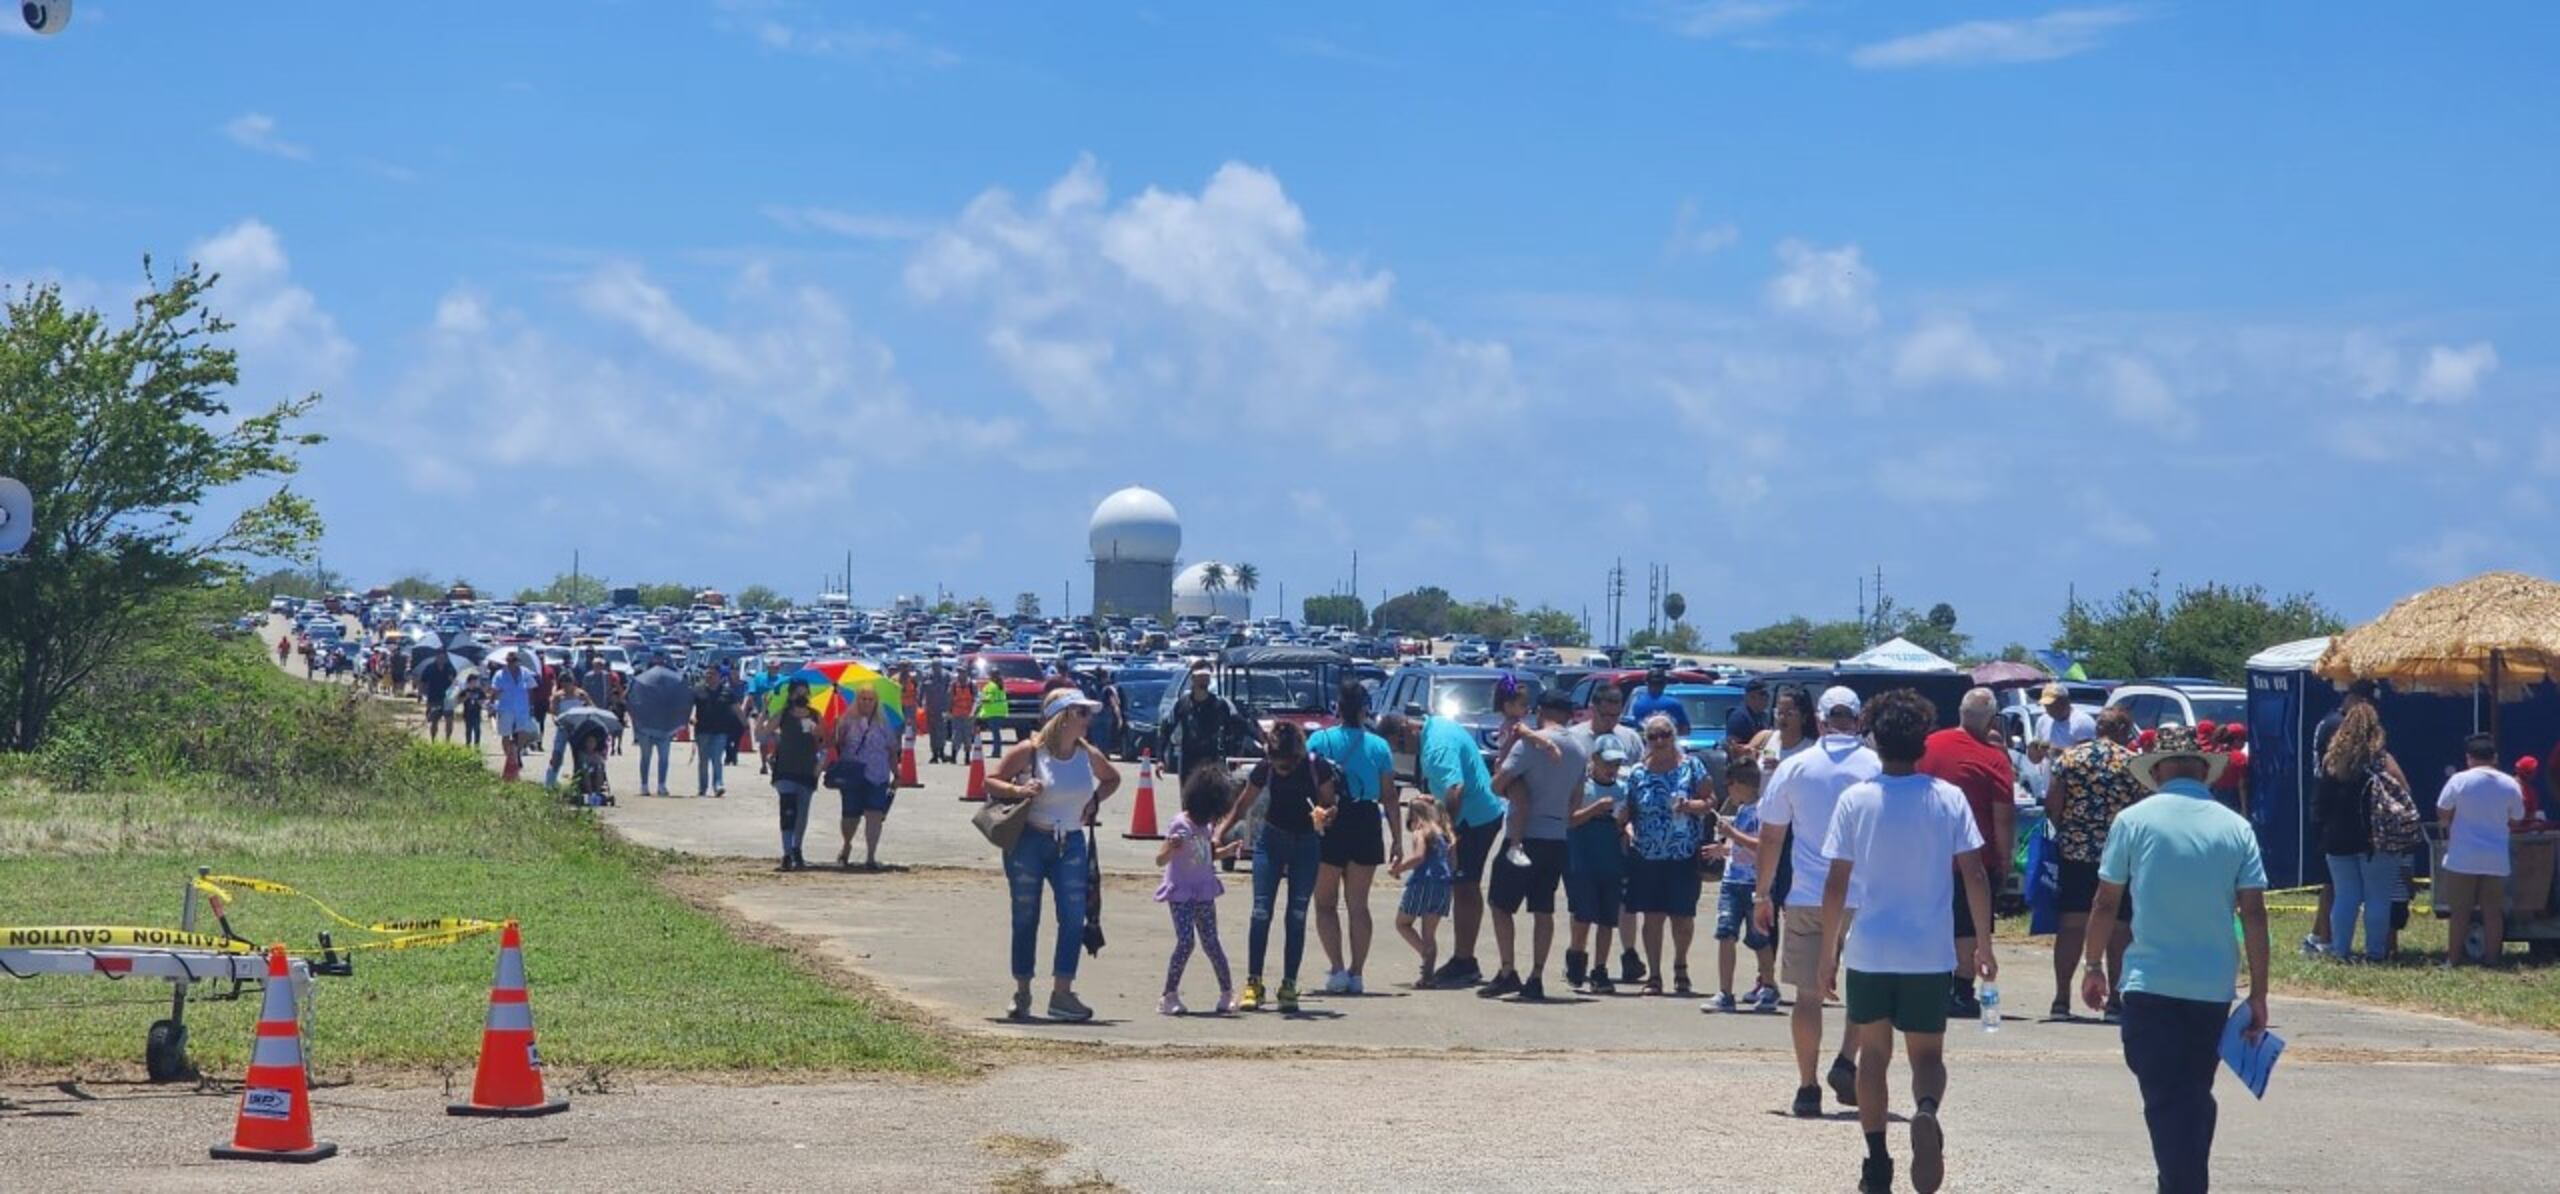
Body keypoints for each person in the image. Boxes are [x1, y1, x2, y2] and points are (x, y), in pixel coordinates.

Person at [1816, 689, 1994, 1194]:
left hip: (1871, 947)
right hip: (1928, 949)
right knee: (1928, 1057)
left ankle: (1876, 1160)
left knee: (1873, 1056)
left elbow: (1836, 884)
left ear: (1875, 741)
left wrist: (1829, 953)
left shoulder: (1856, 799)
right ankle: (1926, 1110)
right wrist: (1982, 943)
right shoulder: (1947, 797)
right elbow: (1974, 875)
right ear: (1922, 743)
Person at [2086, 722, 2270, 1194]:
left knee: (2165, 1096)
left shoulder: (2133, 820)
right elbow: (2254, 912)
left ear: (2160, 769)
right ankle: (2186, 1181)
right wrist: (2260, 993)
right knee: (2190, 1094)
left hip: (2151, 981)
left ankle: (2181, 1186)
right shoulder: (2236, 826)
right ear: (2203, 770)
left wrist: (2091, 966)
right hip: (2212, 987)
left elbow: (2106, 901)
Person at [1756, 685, 1880, 1119]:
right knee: (1865, 988)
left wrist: (1762, 892)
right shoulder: (1877, 766)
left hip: (1809, 891)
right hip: (1866, 893)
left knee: (1807, 995)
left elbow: (1771, 835)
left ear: (1821, 720)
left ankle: (1807, 1087)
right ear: (1858, 719)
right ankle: (1847, 1058)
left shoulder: (1796, 766)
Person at [987, 689, 1123, 1022]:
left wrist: (1094, 801)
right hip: (1029, 841)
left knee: (1073, 918)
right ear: (1062, 718)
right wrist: (1019, 790)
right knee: (1025, 916)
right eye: (1081, 713)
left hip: (1071, 842)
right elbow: (991, 781)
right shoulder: (1030, 751)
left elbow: (1112, 779)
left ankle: (1062, 992)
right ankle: (1022, 990)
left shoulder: (1086, 753)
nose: (1088, 720)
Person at [1217, 720, 1339, 1013]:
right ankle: (1253, 983)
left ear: (1296, 756)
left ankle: (1288, 984)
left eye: (1285, 766)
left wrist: (1326, 815)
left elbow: (1331, 805)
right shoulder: (1265, 768)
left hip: (1307, 844)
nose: (1281, 770)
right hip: (1271, 840)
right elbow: (1244, 804)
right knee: (1261, 912)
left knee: (1296, 916)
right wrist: (1219, 831)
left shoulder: (1317, 767)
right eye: (1277, 764)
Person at [1384, 707, 1504, 988]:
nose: (1403, 751)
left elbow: (1455, 788)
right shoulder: (1436, 727)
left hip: (1474, 820)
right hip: (1476, 815)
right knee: (1464, 885)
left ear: (1408, 729)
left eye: (1400, 744)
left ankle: (1465, 960)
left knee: (1465, 886)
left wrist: (1444, 832)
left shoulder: (1436, 746)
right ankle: (1464, 958)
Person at [1483, 688, 1589, 1001]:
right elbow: (1575, 802)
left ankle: (1507, 969)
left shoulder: (1530, 744)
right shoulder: (1580, 749)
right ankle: (1537, 974)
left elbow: (1498, 782)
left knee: (1501, 905)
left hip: (1526, 834)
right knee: (1543, 909)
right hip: (1556, 836)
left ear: (1542, 711)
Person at [1919, 688, 2017, 1020]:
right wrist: (2004, 859)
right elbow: (2003, 815)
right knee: (1968, 928)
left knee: (1934, 922)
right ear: (1991, 719)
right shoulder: (1993, 758)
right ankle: (1960, 991)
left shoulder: (1928, 745)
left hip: (1926, 856)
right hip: (1974, 856)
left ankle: (1933, 986)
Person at [2048, 706, 2144, 1020]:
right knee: (2118, 928)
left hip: (2075, 852)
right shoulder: (2132, 763)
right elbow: (2141, 809)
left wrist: (2071, 829)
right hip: (2119, 855)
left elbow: (2053, 804)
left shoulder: (2070, 758)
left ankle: (2061, 999)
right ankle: (2115, 1001)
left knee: (2072, 925)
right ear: (2124, 731)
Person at [1309, 680, 1401, 995]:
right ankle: (1357, 973)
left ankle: (1336, 969)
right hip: (1365, 819)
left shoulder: (1319, 740)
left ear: (1337, 707)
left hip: (1329, 817)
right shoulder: (1379, 746)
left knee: (1324, 902)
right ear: (1364, 710)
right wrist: (1398, 839)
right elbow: (1389, 796)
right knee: (1358, 904)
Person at [1619, 712, 1714, 997]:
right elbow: (1629, 810)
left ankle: (1681, 966)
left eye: (1665, 735)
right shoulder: (1638, 773)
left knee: (1682, 916)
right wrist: (1623, 827)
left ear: (1674, 736)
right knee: (1653, 917)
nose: (1660, 741)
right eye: (1653, 736)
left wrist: (1690, 806)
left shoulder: (1692, 766)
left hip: (1683, 853)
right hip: (1648, 854)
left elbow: (1710, 801)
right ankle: (1655, 974)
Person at [2316, 703, 2411, 962]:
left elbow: (2321, 803)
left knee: (2346, 896)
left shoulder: (2331, 760)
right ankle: (2375, 953)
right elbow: (2405, 793)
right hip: (2376, 838)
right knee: (2377, 898)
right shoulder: (2381, 759)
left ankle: (2340, 950)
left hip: (2337, 839)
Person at [1565, 683, 1642, 993]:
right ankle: (1576, 957)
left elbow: (1629, 813)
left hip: (1611, 857)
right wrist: (1595, 809)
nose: (1613, 767)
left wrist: (1626, 826)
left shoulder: (1630, 744)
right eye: (1608, 762)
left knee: (1608, 916)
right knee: (1583, 912)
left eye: (1616, 713)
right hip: (1583, 855)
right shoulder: (1578, 745)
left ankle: (1601, 967)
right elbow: (1570, 819)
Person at [2435, 733, 2524, 967]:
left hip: (2462, 855)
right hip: (2495, 856)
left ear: (2468, 758)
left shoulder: (2458, 780)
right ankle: (2493, 959)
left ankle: (2453, 959)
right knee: (2493, 912)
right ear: (2494, 757)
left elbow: (2442, 811)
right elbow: (2518, 817)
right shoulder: (2510, 783)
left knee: (2460, 912)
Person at [1155, 767, 1239, 1015]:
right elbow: (1160, 860)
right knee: (1186, 942)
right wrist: (1170, 848)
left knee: (1212, 942)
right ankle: (1168, 995)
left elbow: (1206, 854)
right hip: (1181, 892)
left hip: (1203, 890)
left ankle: (1226, 993)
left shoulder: (1205, 826)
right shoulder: (1180, 824)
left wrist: (1228, 850)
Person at [2305, 679, 2379, 954]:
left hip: (2328, 803)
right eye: (2366, 701)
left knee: (2335, 880)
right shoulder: (2339, 725)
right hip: (2335, 804)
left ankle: (2319, 934)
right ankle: (2325, 937)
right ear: (2355, 698)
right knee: (2337, 881)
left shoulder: (2329, 720)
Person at [1708, 757, 1779, 1013]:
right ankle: (1725, 992)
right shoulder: (1740, 811)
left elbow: (1762, 845)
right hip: (1732, 880)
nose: (1727, 790)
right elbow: (1741, 847)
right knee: (1725, 933)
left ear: (1740, 784)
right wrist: (1723, 850)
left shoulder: (1763, 811)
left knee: (1759, 938)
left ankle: (1769, 986)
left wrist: (1732, 834)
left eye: (1729, 784)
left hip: (1754, 883)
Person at [829, 687, 898, 870]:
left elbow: (891, 750)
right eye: (863, 699)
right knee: (850, 816)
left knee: (875, 815)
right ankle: (846, 844)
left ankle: (871, 856)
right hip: (852, 775)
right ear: (857, 701)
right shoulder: (847, 721)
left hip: (878, 775)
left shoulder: (884, 724)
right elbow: (836, 745)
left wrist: (896, 773)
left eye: (870, 699)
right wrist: (836, 730)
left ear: (876, 702)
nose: (866, 703)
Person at [1393, 800, 1455, 988]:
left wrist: (1399, 868)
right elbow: (1453, 863)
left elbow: (1419, 856)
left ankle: (1425, 954)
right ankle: (1428, 976)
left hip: (1422, 883)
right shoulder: (1445, 834)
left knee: (1402, 923)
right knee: (1429, 933)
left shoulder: (1421, 831)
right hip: (1443, 884)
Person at [1164, 662, 1250, 782]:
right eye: (1200, 677)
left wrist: (1264, 741)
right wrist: (1159, 759)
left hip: (1212, 760)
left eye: (1207, 677)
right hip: (1189, 761)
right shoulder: (1182, 704)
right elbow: (1166, 729)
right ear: (1193, 679)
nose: (1204, 680)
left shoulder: (1220, 704)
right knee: (1189, 798)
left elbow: (1242, 724)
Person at [770, 679, 822, 871]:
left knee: (802, 813)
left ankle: (797, 847)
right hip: (785, 768)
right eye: (797, 693)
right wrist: (764, 714)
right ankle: (786, 853)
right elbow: (762, 733)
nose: (801, 697)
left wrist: (820, 732)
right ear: (791, 695)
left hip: (807, 769)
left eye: (804, 693)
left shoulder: (815, 715)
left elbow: (825, 742)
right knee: (788, 810)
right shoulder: (784, 714)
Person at [693, 670, 743, 798]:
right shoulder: (698, 690)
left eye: (713, 674)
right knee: (703, 760)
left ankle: (718, 785)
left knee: (717, 759)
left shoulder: (727, 692)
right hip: (702, 730)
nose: (710, 676)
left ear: (720, 677)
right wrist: (691, 718)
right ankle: (702, 788)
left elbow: (736, 708)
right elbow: (692, 708)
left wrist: (745, 723)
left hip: (721, 731)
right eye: (708, 674)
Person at [489, 653, 537, 778]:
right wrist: (492, 705)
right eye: (510, 661)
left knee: (522, 732)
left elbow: (531, 690)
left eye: (514, 660)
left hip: (522, 707)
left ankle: (518, 754)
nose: (512, 663)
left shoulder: (525, 673)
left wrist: (531, 706)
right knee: (505, 734)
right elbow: (494, 691)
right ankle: (509, 758)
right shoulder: (500, 674)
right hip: (506, 707)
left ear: (518, 661)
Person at [1628, 665, 1690, 736]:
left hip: (1646, 745)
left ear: (1647, 683)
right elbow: (1685, 730)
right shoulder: (1674, 704)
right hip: (1668, 745)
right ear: (1664, 684)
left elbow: (1637, 729)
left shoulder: (1638, 704)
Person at [2036, 682, 2095, 751]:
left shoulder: (2083, 722)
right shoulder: (2043, 720)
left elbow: (2087, 755)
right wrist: (2034, 748)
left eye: (2053, 705)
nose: (2050, 709)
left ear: (2065, 701)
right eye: (2046, 706)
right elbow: (2035, 759)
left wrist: (2059, 752)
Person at [418, 652, 457, 742]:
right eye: (439, 656)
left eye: (443, 656)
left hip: (448, 699)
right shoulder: (430, 667)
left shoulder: (450, 668)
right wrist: (421, 694)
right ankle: (433, 740)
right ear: (436, 656)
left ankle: (447, 740)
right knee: (434, 721)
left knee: (449, 721)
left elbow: (456, 683)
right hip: (433, 698)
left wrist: (453, 680)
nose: (441, 658)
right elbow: (423, 681)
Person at [920, 662, 952, 765]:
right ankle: (934, 754)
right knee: (933, 733)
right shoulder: (926, 675)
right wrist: (920, 702)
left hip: (943, 708)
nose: (936, 668)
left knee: (942, 732)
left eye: (938, 666)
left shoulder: (946, 675)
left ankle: (942, 753)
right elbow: (921, 690)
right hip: (931, 708)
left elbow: (951, 691)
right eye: (934, 666)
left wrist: (950, 707)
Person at [975, 670, 1011, 756]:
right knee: (997, 733)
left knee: (995, 733)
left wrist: (980, 700)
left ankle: (996, 752)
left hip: (993, 712)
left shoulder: (991, 686)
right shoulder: (1000, 685)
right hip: (1001, 712)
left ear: (991, 676)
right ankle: (997, 751)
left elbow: (989, 699)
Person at [1728, 680, 1769, 750]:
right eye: (1763, 694)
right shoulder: (1739, 718)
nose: (1767, 697)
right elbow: (1736, 748)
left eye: (1767, 694)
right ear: (1751, 696)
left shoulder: (1762, 715)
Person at [949, 672, 978, 764]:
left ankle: (967, 757)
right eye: (959, 673)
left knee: (967, 736)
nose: (960, 675)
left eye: (962, 673)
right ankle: (953, 757)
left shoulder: (971, 685)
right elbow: (949, 698)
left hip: (968, 715)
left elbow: (977, 699)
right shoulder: (953, 685)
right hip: (956, 714)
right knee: (956, 735)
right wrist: (949, 712)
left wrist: (973, 712)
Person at [460, 674, 486, 750]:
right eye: (473, 681)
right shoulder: (465, 691)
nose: (475, 683)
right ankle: (468, 745)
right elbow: (459, 701)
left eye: (476, 681)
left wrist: (478, 701)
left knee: (477, 730)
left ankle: (477, 745)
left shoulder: (479, 691)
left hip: (477, 713)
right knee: (468, 730)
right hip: (467, 713)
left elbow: (483, 701)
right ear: (469, 682)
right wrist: (466, 697)